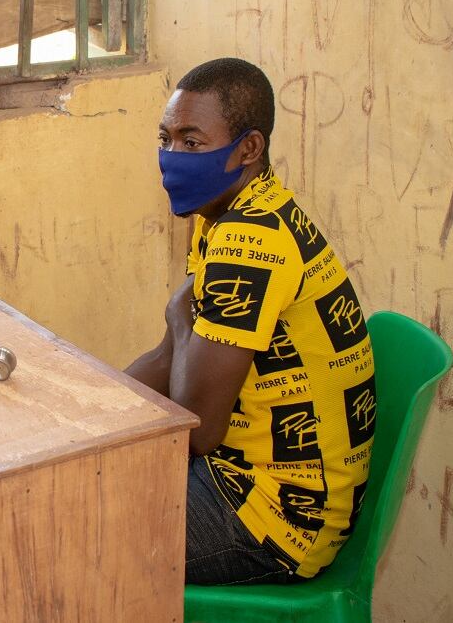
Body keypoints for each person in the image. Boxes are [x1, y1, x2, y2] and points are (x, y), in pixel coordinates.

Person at [125, 58, 376, 585]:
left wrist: (178, 316)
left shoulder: (251, 241)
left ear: (249, 148)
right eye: (165, 139)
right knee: (75, 478)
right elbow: (171, 356)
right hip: (244, 479)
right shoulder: (227, 213)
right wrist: (85, 414)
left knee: (64, 530)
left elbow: (198, 428)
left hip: (276, 520)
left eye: (192, 143)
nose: (171, 158)